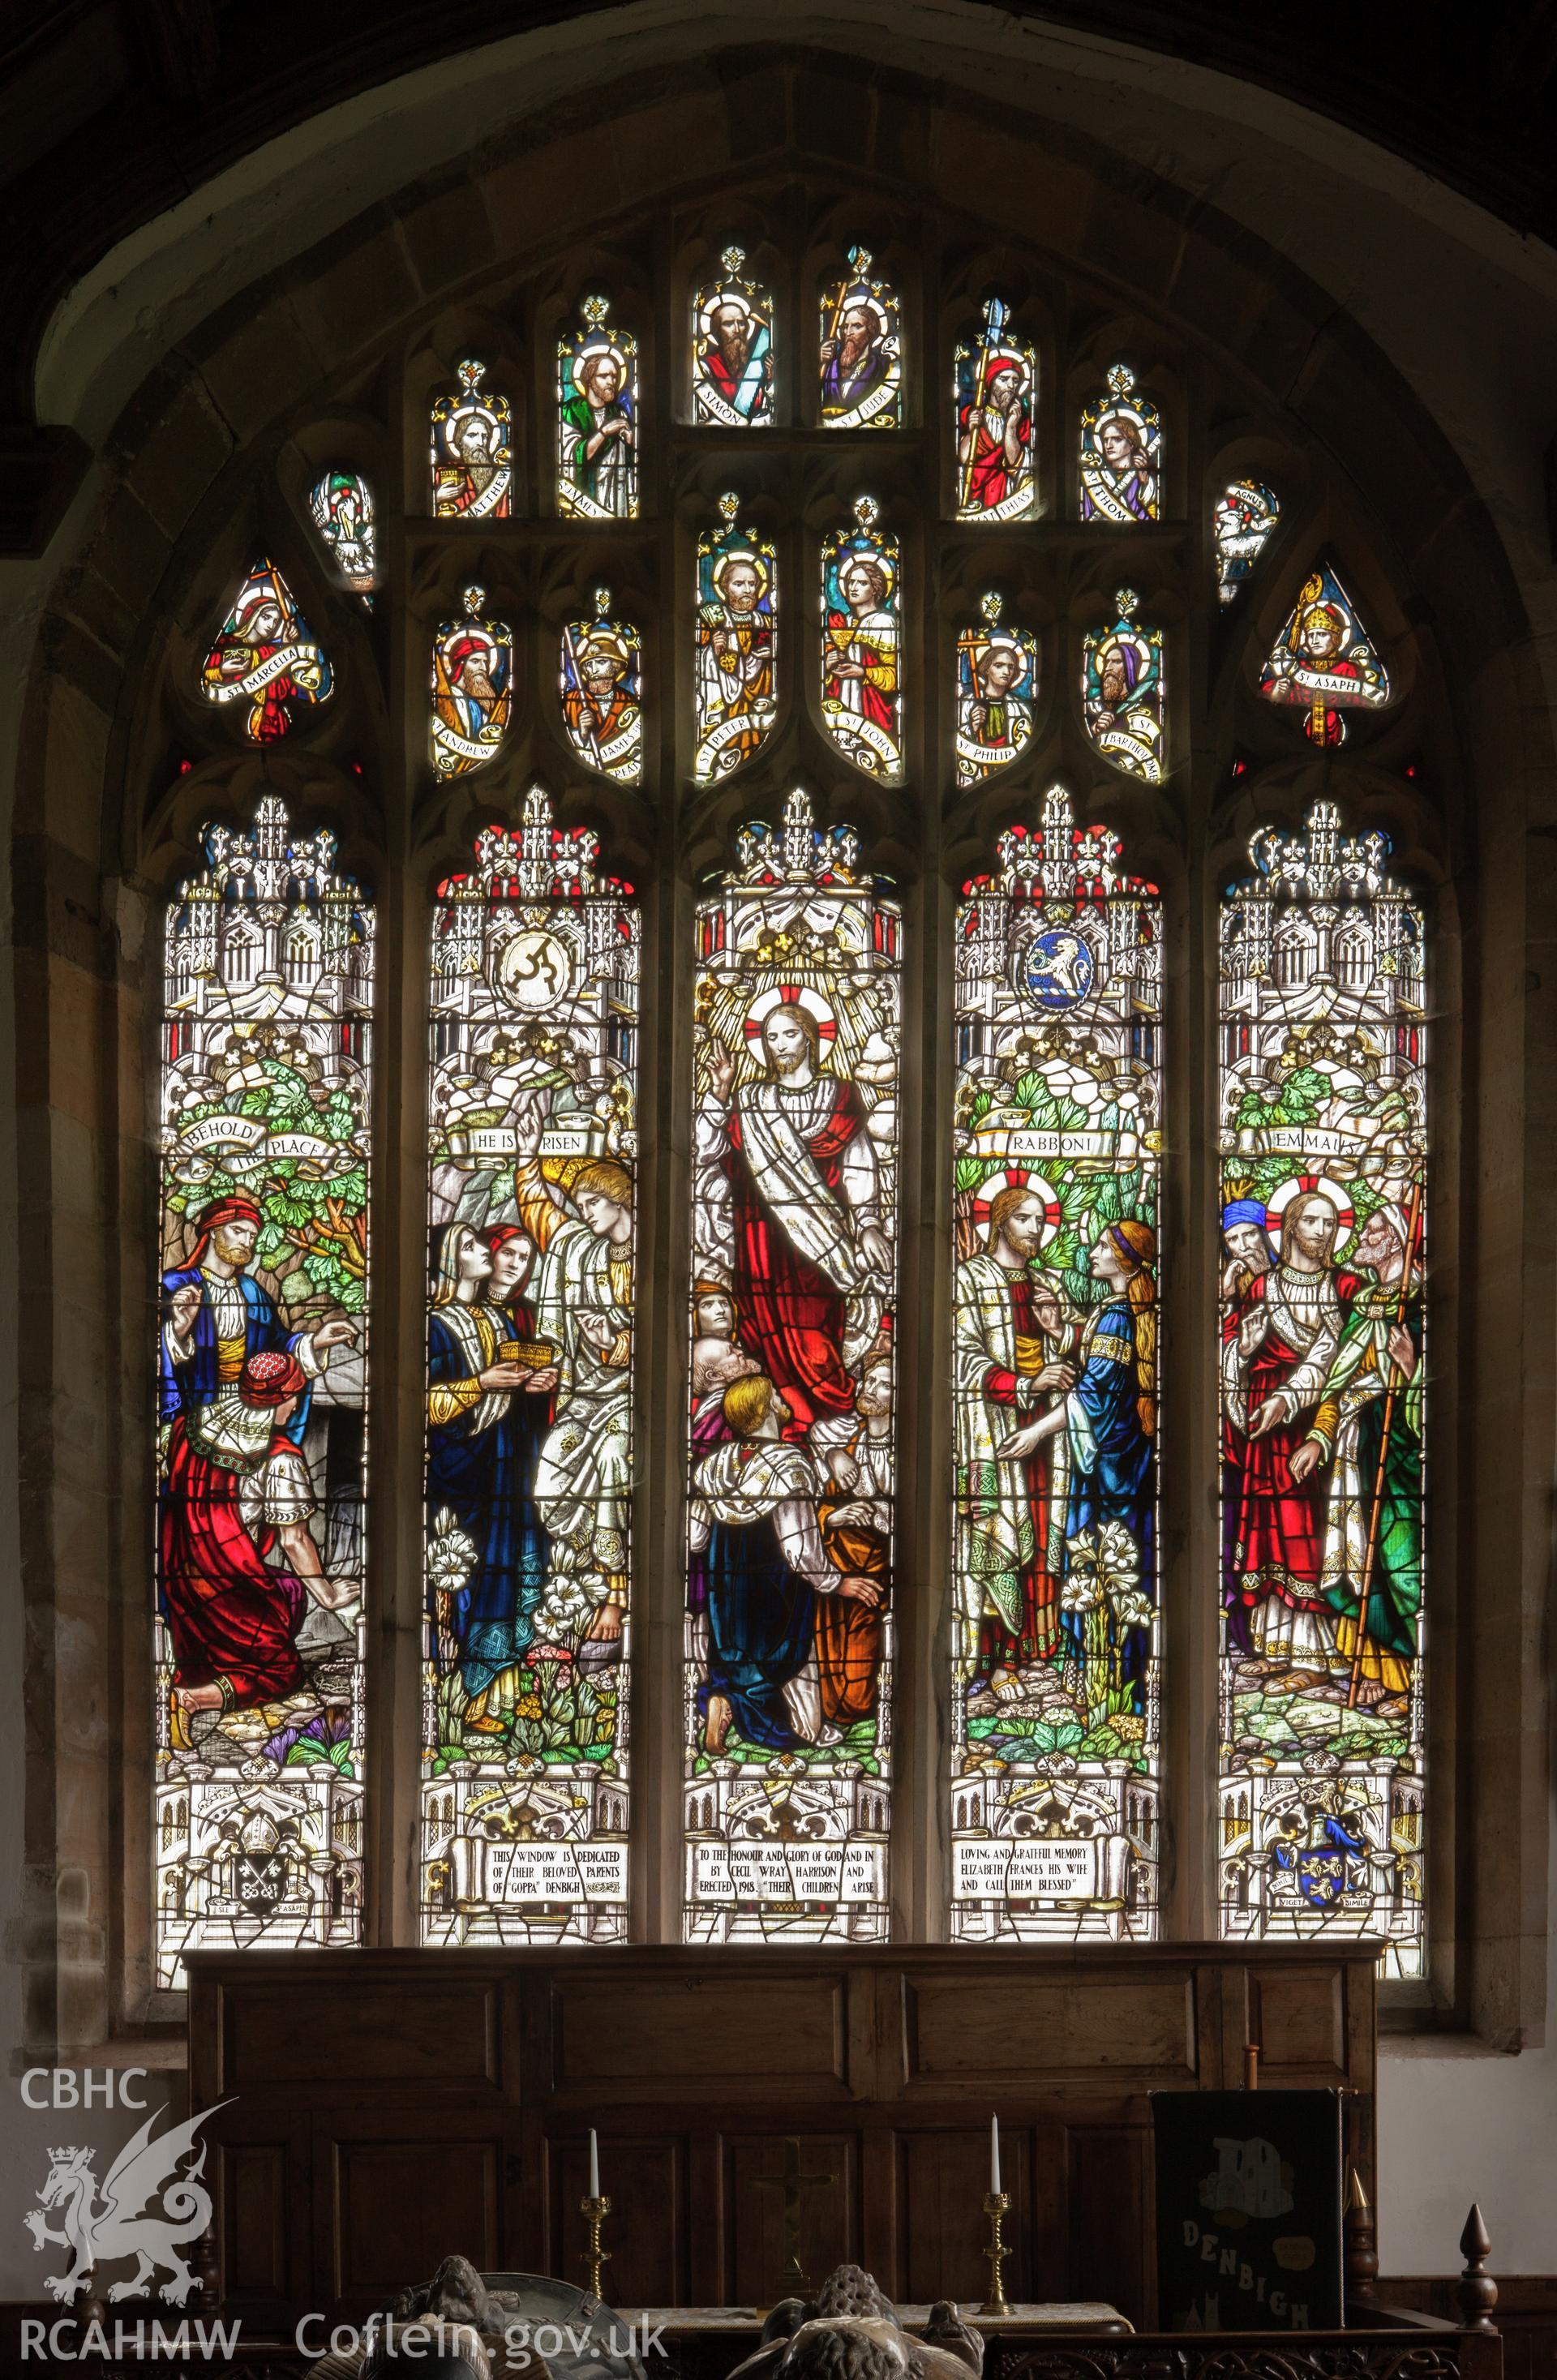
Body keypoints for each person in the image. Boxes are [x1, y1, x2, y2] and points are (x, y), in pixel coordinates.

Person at [695, 1000, 890, 1433]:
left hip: (824, 1249)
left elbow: (859, 1164)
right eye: (771, 1037)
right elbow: (706, 1152)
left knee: (820, 1346)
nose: (780, 1045)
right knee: (768, 1340)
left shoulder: (839, 1096)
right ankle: (786, 1428)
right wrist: (720, 1094)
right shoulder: (750, 1099)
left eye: (789, 1034)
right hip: (760, 1245)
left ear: (811, 1038)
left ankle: (838, 1427)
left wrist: (870, 1223)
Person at [996, 1222, 1158, 1701]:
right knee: (1122, 1565)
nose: (1092, 1253)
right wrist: (1060, 1332)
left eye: (1102, 1248)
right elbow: (1105, 1365)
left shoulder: (1118, 1316)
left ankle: (1112, 1683)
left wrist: (1035, 1431)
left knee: (1106, 1563)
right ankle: (1116, 1678)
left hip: (1110, 1465)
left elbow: (1093, 1392)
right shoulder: (1123, 1310)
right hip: (1126, 1458)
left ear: (1124, 1261)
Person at [688, 1370, 880, 1752]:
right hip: (777, 1586)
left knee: (735, 1653)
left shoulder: (713, 1467)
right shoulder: (789, 1465)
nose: (782, 1399)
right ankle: (806, 1729)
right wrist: (836, 1582)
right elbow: (799, 1546)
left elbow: (694, 1537)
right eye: (775, 1395)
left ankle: (726, 1701)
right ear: (764, 1411)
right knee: (791, 1659)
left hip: (726, 1588)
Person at [161, 1350, 355, 1720]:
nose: (297, 1405)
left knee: (291, 1591)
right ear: (281, 1399)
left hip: (181, 1584)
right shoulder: (280, 1458)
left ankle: (220, 1663)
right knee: (283, 1673)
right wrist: (329, 1595)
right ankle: (192, 1700)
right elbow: (294, 1541)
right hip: (226, 1585)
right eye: (294, 1395)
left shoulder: (190, 1427)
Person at [426, 1222, 559, 1731]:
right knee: (466, 1579)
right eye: (470, 1246)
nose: (485, 1252)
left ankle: (497, 1694)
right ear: (447, 1262)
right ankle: (459, 1700)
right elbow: (420, 1405)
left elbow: (510, 1394)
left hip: (506, 1467)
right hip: (457, 1471)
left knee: (507, 1574)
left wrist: (535, 1385)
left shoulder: (498, 1320)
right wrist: (481, 1383)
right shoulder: (433, 1324)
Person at [512, 1125, 636, 1644]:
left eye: (590, 1203)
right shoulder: (578, 1248)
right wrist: (525, 1158)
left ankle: (613, 1594)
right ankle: (577, 1579)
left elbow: (686, 1329)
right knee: (551, 1479)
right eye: (581, 1204)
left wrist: (618, 1341)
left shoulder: (663, 1254)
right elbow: (542, 1214)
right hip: (586, 1396)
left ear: (618, 1201)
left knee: (612, 1459)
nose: (583, 1213)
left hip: (636, 1400)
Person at [953, 1187, 1079, 1693]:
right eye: (1024, 1219)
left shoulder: (1048, 1283)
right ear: (1000, 1222)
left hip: (1046, 1435)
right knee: (995, 1539)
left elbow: (1079, 1353)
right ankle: (990, 1661)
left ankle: (1029, 1652)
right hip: (993, 1430)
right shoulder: (970, 1278)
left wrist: (1062, 1333)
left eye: (1041, 1220)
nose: (1035, 1228)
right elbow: (962, 1357)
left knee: (1041, 1543)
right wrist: (1025, 1383)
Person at [1222, 1190, 1354, 1667]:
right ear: (1292, 1225)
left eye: (1330, 1223)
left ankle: (1313, 1653)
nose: (1321, 1232)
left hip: (1312, 1426)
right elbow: (1233, 1356)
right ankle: (1273, 1644)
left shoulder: (1345, 1288)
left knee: (1307, 1527)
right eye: (1312, 1222)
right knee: (1265, 1527)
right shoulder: (1260, 1288)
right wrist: (1242, 1351)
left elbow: (1336, 1357)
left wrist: (1289, 1399)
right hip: (1263, 1427)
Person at [1297, 1203, 1423, 1699]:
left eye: (1372, 1231)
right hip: (1357, 1450)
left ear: (1395, 1239)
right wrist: (1319, 1437)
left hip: (1400, 1455)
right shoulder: (1368, 1300)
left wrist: (1410, 1371)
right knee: (1355, 1561)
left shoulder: (1421, 1303)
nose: (1361, 1239)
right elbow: (1338, 1382)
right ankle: (1375, 1673)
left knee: (1399, 1561)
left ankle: (1410, 1680)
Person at [161, 1194, 355, 1448]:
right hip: (197, 1404)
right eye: (238, 1231)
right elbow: (153, 1358)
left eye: (252, 1236)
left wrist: (316, 1341)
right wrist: (178, 1330)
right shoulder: (176, 1286)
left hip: (247, 1407)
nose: (246, 1241)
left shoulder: (251, 1290)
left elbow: (277, 1342)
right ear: (212, 1231)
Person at [809, 1348, 894, 1725]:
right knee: (828, 1660)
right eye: (870, 1380)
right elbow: (808, 1507)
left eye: (884, 1385)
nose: (872, 1389)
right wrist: (832, 1455)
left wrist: (876, 1515)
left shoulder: (902, 1452)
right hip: (832, 1567)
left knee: (858, 1690)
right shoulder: (841, 1434)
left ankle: (858, 1718)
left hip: (880, 1572)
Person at [200, 581, 326, 744]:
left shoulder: (274, 652)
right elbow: (209, 679)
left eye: (275, 622)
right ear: (252, 615)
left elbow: (285, 687)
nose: (270, 626)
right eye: (266, 617)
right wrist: (222, 671)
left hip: (274, 718)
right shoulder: (226, 643)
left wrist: (287, 647)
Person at [1258, 592, 1383, 745]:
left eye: (1322, 634)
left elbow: (1364, 699)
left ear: (1336, 639)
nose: (1315, 640)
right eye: (1311, 635)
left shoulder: (1349, 670)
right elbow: (1275, 696)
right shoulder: (1298, 668)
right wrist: (1277, 692)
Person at [695, 550, 774, 776]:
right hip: (726, 707)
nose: (748, 590)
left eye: (752, 583)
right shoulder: (712, 623)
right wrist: (714, 649)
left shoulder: (767, 622)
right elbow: (701, 670)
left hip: (763, 702)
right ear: (725, 588)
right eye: (739, 583)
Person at [823, 555, 899, 763]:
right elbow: (824, 680)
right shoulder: (841, 623)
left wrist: (863, 672)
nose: (853, 587)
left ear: (875, 588)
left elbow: (894, 677)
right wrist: (826, 665)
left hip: (873, 712)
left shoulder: (885, 623)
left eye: (862, 583)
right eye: (850, 582)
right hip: (837, 711)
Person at [560, 348, 635, 515]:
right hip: (583, 498)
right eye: (603, 376)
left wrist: (629, 443)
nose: (611, 381)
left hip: (615, 494)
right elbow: (572, 455)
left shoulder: (619, 413)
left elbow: (629, 464)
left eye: (614, 376)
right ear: (589, 380)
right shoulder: (570, 411)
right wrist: (604, 432)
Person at [957, 355, 1032, 513]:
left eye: (1016, 380)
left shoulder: (1022, 422)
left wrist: (1011, 427)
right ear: (990, 382)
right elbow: (964, 459)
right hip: (976, 498)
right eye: (1004, 379)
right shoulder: (971, 415)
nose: (1011, 385)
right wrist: (972, 431)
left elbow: (1016, 465)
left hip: (1009, 498)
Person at [563, 624, 639, 774]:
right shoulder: (572, 700)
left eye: (601, 662)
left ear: (616, 665)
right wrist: (581, 734)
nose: (594, 669)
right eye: (589, 664)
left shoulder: (627, 701)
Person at [958, 634, 1032, 773]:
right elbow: (958, 740)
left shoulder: (1020, 708)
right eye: (999, 666)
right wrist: (972, 727)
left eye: (1011, 667)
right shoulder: (968, 703)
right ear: (986, 669)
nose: (1006, 672)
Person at [697, 294, 772, 423]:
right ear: (717, 331)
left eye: (741, 323)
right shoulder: (706, 367)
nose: (737, 329)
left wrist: (770, 381)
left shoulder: (758, 366)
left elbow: (768, 407)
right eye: (728, 324)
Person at [820, 297, 893, 422]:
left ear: (871, 332)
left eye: (856, 326)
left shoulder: (882, 368)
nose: (848, 332)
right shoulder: (830, 366)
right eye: (845, 327)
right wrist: (818, 362)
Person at [1081, 406, 1157, 521]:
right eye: (1106, 440)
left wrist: (1145, 485)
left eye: (1117, 439)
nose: (1108, 445)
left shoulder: (1143, 478)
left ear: (1132, 443)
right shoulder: (1095, 479)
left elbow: (1149, 516)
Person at [435, 410, 510, 518]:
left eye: (485, 436)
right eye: (472, 435)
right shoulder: (444, 471)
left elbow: (503, 511)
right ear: (459, 441)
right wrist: (438, 497)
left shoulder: (498, 476)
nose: (480, 442)